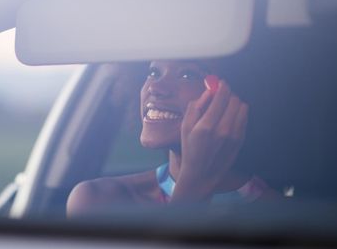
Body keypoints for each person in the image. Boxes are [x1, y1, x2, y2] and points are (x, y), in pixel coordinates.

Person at [67, 60, 280, 217]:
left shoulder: (282, 218)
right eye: (153, 72)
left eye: (188, 75)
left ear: (235, 102)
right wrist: (194, 181)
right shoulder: (99, 200)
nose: (155, 87)